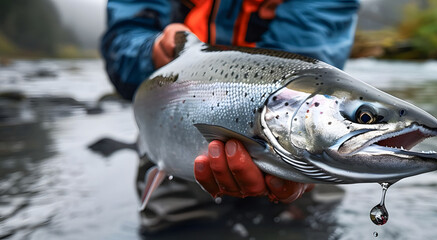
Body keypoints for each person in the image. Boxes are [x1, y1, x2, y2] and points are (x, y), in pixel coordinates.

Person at [101, 0, 359, 235]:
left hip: (282, 129)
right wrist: (153, 52)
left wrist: (289, 155)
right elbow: (123, 40)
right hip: (172, 122)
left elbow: (303, 73)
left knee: (311, 221)